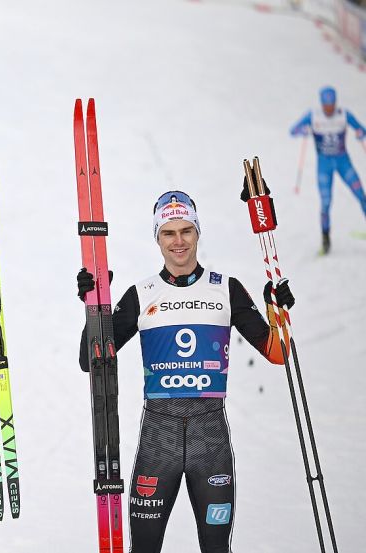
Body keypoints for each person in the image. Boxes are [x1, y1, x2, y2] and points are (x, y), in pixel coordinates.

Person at [75, 190, 295, 553]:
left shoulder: (227, 290)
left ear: (197, 232)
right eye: (168, 233)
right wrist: (93, 307)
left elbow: (277, 352)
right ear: (157, 238)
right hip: (158, 441)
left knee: (215, 548)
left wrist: (279, 309)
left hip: (210, 441)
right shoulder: (141, 294)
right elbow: (91, 361)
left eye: (186, 231)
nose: (178, 242)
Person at [289, 85, 366, 253]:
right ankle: (325, 239)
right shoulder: (313, 115)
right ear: (322, 104)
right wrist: (301, 130)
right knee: (325, 202)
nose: (329, 109)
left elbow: (362, 129)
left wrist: (360, 133)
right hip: (324, 165)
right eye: (326, 105)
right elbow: (292, 130)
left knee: (361, 193)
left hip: (343, 161)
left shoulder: (344, 114)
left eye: (332, 105)